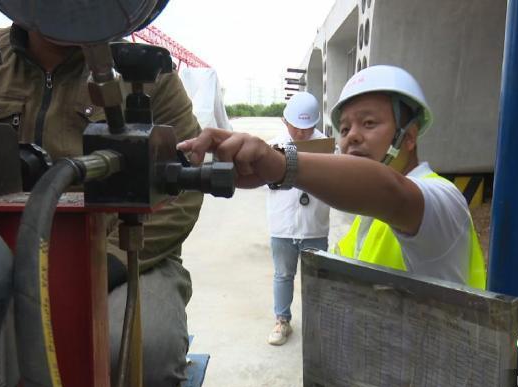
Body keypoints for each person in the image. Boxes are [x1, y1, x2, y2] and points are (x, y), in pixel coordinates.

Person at [0, 24, 203, 387]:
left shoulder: (148, 73)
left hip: (130, 256)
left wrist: (106, 263)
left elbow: (184, 188)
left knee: (139, 350)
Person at [179, 65, 486, 289]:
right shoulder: (366, 219)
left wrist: (280, 164)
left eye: (368, 123)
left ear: (409, 137)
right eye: (345, 129)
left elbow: (389, 190)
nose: (351, 137)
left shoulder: (441, 200)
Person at [266, 92, 330, 346]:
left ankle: (318, 324)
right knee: (283, 275)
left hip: (315, 226)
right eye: (296, 128)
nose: (302, 134)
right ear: (285, 121)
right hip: (282, 226)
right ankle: (282, 322)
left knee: (317, 278)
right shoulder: (272, 147)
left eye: (307, 128)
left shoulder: (327, 147)